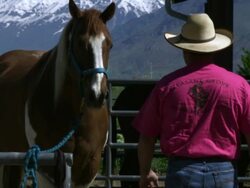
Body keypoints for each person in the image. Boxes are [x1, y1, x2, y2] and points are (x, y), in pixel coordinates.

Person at [133, 13, 250, 188]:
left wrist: (145, 172)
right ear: (214, 49)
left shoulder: (167, 86)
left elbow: (147, 137)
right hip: (224, 171)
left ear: (184, 49)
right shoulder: (238, 85)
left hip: (182, 171)